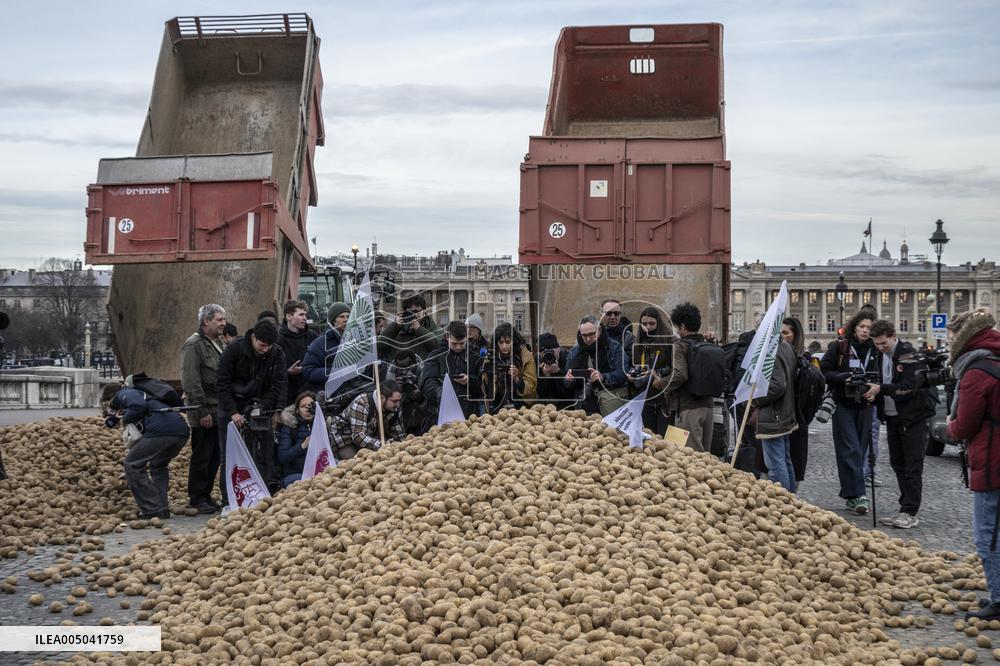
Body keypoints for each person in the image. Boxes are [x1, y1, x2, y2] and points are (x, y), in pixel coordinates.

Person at [944, 309, 1000, 620]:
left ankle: (999, 599)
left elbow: (964, 425)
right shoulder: (996, 357)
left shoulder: (976, 372)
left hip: (992, 459)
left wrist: (948, 428)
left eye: (951, 338)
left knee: (988, 534)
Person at [867, 319, 935, 529]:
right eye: (877, 344)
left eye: (883, 343)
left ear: (893, 336)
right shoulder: (881, 355)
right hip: (893, 416)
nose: (880, 347)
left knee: (912, 465)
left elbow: (908, 387)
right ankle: (904, 508)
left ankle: (910, 511)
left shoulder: (908, 355)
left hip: (913, 416)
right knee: (898, 464)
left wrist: (881, 389)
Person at [216, 320, 288, 496]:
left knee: (262, 451)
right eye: (262, 345)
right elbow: (221, 383)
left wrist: (262, 406)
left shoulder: (276, 353)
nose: (265, 350)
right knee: (229, 453)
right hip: (231, 404)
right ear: (253, 337)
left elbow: (277, 385)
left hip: (258, 404)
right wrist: (233, 412)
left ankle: (259, 492)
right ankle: (228, 498)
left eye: (269, 346)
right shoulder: (234, 349)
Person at [821, 307, 879, 515]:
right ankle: (860, 494)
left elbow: (881, 378)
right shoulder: (841, 347)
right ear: (854, 328)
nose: (865, 331)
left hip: (865, 404)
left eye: (869, 328)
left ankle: (850, 494)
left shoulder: (876, 350)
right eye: (861, 327)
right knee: (850, 448)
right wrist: (843, 377)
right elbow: (825, 371)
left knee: (860, 450)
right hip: (843, 403)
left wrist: (876, 389)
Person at [107, 379, 190, 519]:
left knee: (132, 465)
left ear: (110, 397)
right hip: (181, 431)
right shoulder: (143, 394)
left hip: (162, 432)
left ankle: (152, 509)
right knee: (158, 465)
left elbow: (139, 406)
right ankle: (162, 509)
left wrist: (124, 418)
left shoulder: (124, 393)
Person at [179, 303, 226, 513]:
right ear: (206, 321)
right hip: (204, 409)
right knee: (202, 455)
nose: (223, 324)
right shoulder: (194, 345)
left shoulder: (216, 343)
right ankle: (197, 496)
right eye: (219, 320)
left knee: (215, 455)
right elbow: (191, 381)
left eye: (223, 319)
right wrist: (202, 411)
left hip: (218, 408)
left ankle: (206, 494)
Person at [662, 302, 714, 452]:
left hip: (687, 409)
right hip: (708, 406)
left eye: (678, 327)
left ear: (683, 327)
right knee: (705, 456)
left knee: (687, 458)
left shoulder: (680, 345)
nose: (678, 331)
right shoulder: (707, 344)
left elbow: (680, 375)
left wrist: (661, 382)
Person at [751, 335, 799, 492]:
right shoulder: (786, 346)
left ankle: (783, 502)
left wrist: (755, 400)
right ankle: (791, 499)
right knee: (784, 459)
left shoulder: (772, 350)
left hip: (773, 415)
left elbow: (777, 386)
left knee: (775, 464)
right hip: (784, 412)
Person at [421, 321, 485, 425]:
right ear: (447, 337)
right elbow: (427, 382)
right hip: (438, 414)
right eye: (454, 343)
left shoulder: (475, 357)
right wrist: (442, 393)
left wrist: (470, 381)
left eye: (462, 343)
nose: (458, 347)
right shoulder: (435, 356)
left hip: (468, 416)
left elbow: (483, 386)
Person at [564, 315, 628, 416]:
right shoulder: (574, 352)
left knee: (610, 431)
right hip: (584, 403)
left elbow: (623, 373)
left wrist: (603, 377)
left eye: (592, 334)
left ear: (600, 330)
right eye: (584, 335)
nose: (588, 339)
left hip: (610, 402)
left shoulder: (615, 348)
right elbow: (566, 381)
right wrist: (568, 379)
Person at [331, 380, 406, 459]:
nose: (397, 405)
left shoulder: (393, 408)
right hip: (345, 439)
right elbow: (358, 436)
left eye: (399, 401)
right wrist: (382, 444)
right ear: (381, 397)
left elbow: (399, 436)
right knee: (356, 464)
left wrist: (403, 447)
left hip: (369, 436)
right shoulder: (361, 403)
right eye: (394, 401)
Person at [630, 307, 673, 434]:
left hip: (664, 399)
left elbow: (675, 369)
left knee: (665, 439)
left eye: (652, 323)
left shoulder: (669, 341)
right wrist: (633, 375)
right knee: (647, 439)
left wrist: (656, 374)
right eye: (644, 324)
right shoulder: (637, 344)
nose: (648, 327)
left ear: (658, 324)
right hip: (644, 399)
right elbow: (634, 366)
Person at [781, 317, 810, 485]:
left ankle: (789, 498)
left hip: (796, 417)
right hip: (779, 418)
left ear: (796, 335)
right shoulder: (775, 356)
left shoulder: (804, 359)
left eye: (786, 333)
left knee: (794, 459)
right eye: (779, 333)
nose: (782, 337)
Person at [485, 323, 537, 413]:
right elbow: (485, 389)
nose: (504, 346)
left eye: (508, 342)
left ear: (514, 341)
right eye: (501, 342)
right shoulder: (490, 358)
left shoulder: (526, 357)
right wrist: (491, 378)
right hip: (498, 405)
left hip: (522, 405)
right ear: (496, 343)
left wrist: (517, 379)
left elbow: (532, 387)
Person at [277, 299, 318, 406]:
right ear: (289, 316)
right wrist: (287, 371)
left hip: (308, 392)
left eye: (305, 315)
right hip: (286, 394)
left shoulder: (312, 336)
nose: (305, 318)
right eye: (301, 315)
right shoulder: (278, 339)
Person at [301, 302, 351, 392]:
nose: (346, 320)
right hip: (331, 395)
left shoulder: (354, 341)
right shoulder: (320, 344)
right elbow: (308, 371)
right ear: (333, 320)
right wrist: (335, 372)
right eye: (341, 317)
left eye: (348, 316)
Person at [378, 295, 442, 363]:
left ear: (424, 312)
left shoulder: (431, 328)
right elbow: (380, 348)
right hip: (399, 371)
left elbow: (439, 348)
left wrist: (419, 329)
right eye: (410, 311)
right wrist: (395, 326)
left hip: (423, 372)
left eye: (417, 311)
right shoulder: (396, 330)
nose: (413, 315)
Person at [276, 391, 317, 488]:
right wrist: (302, 446)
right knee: (308, 482)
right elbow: (282, 457)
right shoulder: (290, 428)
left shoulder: (321, 425)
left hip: (318, 471)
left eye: (311, 406)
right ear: (297, 410)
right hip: (295, 475)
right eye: (303, 406)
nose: (308, 409)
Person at [388, 350, 427, 435]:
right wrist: (394, 389)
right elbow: (386, 404)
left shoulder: (422, 370)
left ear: (414, 364)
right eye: (400, 368)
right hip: (399, 418)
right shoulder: (392, 373)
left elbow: (430, 402)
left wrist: (420, 397)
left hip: (419, 418)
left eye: (406, 367)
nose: (403, 371)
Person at [535, 333, 570, 409]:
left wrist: (558, 372)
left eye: (550, 352)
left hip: (566, 407)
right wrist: (545, 376)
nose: (548, 356)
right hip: (546, 408)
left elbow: (569, 392)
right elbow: (541, 394)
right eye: (543, 354)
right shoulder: (539, 361)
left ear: (558, 348)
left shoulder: (568, 359)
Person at [601, 298, 635, 366]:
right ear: (601, 314)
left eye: (616, 313)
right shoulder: (591, 334)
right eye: (608, 313)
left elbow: (629, 365)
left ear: (620, 315)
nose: (613, 317)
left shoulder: (629, 338)